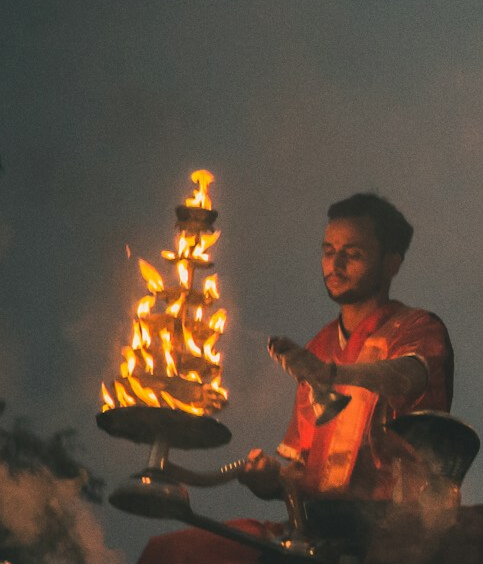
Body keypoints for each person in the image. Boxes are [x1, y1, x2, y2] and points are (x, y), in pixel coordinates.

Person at [138, 193, 454, 564]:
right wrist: (272, 480)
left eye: (352, 254)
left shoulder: (417, 328)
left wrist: (329, 374)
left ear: (391, 263)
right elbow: (304, 472)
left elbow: (410, 376)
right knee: (172, 553)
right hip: (313, 530)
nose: (335, 265)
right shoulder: (320, 346)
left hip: (390, 531)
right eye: (328, 251)